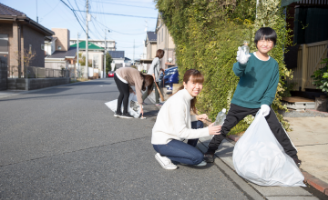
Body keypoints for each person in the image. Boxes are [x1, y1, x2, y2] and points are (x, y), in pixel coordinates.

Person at [204, 27, 302, 167]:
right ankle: (210, 151)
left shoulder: (273, 64)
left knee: (277, 128)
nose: (265, 44)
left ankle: (293, 156)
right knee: (225, 127)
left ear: (273, 43)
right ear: (256, 42)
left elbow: (271, 87)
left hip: (260, 105)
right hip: (240, 102)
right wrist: (241, 63)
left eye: (269, 41)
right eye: (262, 40)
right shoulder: (248, 57)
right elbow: (237, 72)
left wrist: (266, 103)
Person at [151, 69, 221, 170]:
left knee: (198, 124)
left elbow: (179, 118)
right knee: (198, 158)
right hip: (163, 141)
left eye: (200, 83)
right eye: (194, 83)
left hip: (171, 136)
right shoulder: (179, 101)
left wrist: (196, 117)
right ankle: (163, 155)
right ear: (185, 84)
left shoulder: (186, 96)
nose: (197, 87)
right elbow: (181, 132)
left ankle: (187, 152)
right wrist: (208, 131)